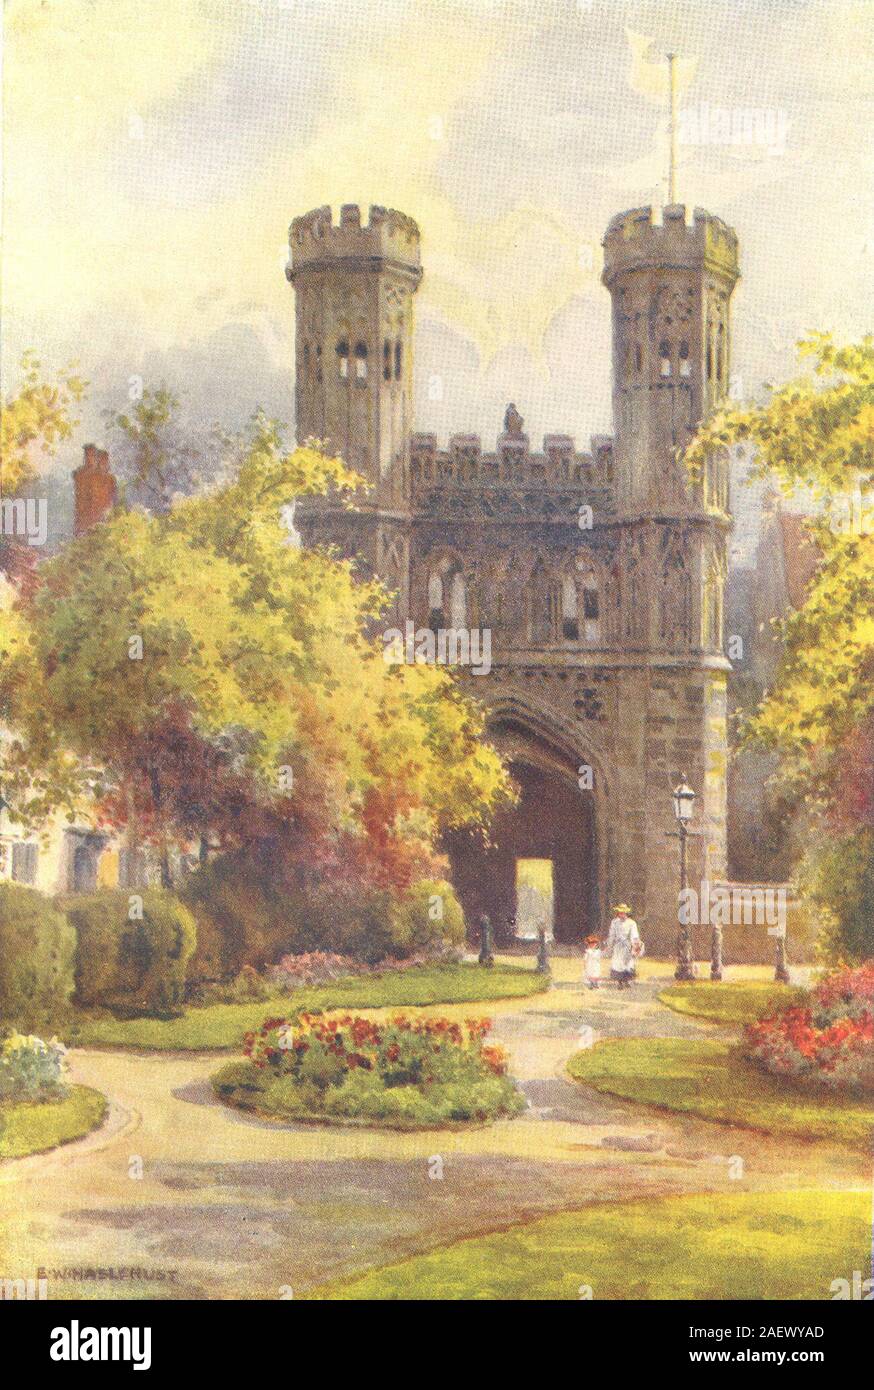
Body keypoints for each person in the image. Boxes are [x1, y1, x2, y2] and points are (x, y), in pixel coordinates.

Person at [606, 904, 642, 990]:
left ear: (626, 913)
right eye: (619, 913)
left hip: (627, 946)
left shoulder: (631, 923)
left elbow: (634, 935)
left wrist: (634, 945)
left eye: (623, 913)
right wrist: (610, 944)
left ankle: (626, 980)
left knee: (627, 963)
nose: (621, 914)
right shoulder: (614, 922)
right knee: (618, 963)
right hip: (618, 946)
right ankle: (619, 982)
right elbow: (612, 934)